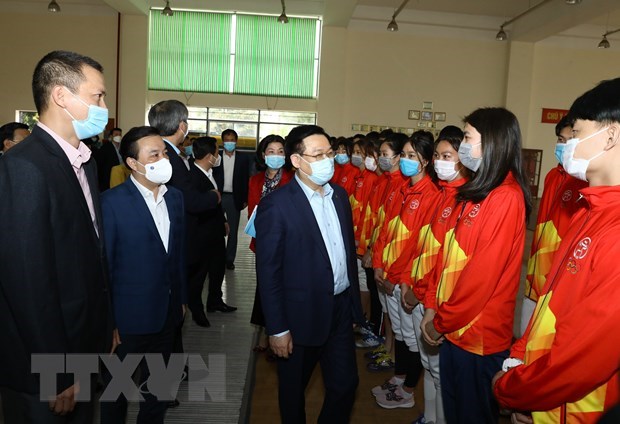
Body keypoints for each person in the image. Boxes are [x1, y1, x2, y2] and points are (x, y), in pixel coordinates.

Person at [493, 78, 620, 423]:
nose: (569, 145)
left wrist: (516, 390)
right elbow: (548, 304)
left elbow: (583, 359)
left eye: (577, 133)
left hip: (577, 409)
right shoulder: (587, 212)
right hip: (543, 397)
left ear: (609, 135)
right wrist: (519, 361)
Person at [0, 50, 112, 423]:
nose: (104, 106)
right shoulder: (25, 166)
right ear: (62, 96)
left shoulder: (84, 161)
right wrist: (58, 371)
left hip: (82, 346)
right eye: (97, 96)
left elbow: (92, 256)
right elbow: (27, 281)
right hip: (48, 366)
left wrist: (105, 329)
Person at [421, 108, 532, 423]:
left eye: (468, 138)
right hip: (454, 327)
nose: (464, 147)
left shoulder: (505, 197)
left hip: (476, 336)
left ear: (493, 142)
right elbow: (447, 261)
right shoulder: (474, 193)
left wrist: (440, 321)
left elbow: (480, 278)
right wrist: (433, 306)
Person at [256, 124, 364, 423]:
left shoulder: (339, 197)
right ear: (296, 161)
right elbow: (269, 273)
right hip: (298, 315)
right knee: (293, 393)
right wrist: (276, 328)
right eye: (317, 155)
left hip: (339, 308)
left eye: (329, 153)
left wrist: (354, 304)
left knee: (345, 385)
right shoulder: (277, 206)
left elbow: (345, 255)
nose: (327, 160)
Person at [99, 126, 187, 424]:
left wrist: (181, 300)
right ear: (133, 163)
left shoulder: (175, 198)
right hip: (127, 323)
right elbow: (104, 268)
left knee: (159, 393)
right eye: (155, 155)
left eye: (164, 153)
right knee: (117, 394)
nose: (164, 159)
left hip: (167, 316)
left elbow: (177, 255)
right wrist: (108, 323)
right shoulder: (111, 203)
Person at [399, 125, 468, 424]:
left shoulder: (463, 199)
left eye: (447, 155)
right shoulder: (443, 194)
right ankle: (429, 417)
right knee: (429, 367)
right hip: (422, 292)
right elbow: (423, 246)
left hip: (436, 300)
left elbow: (448, 262)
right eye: (437, 155)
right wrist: (410, 282)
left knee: (440, 373)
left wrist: (427, 300)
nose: (440, 161)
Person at [371, 132, 438, 408]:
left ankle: (408, 389)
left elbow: (416, 245)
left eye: (413, 157)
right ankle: (400, 378)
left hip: (403, 279)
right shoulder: (401, 188)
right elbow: (387, 231)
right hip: (389, 274)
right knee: (400, 333)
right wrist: (378, 265)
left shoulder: (430, 194)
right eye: (405, 155)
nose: (406, 162)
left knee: (412, 339)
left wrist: (396, 276)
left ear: (425, 161)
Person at [518, 115, 587, 336]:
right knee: (523, 338)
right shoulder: (551, 176)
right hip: (535, 276)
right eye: (560, 139)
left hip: (557, 283)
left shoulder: (583, 183)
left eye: (569, 140)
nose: (562, 145)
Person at [248, 135, 294, 352]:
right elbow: (251, 213)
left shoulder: (293, 180)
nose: (275, 156)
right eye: (271, 151)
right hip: (263, 242)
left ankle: (280, 331)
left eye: (280, 151)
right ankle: (264, 333)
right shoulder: (255, 180)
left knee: (283, 287)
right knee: (264, 287)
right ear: (262, 154)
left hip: (288, 244)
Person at [187, 136, 234, 326]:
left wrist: (223, 220)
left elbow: (216, 202)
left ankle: (215, 301)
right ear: (209, 156)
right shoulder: (192, 177)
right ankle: (196, 310)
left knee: (217, 268)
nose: (218, 155)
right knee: (200, 274)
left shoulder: (210, 173)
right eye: (216, 152)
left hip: (215, 230)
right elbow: (197, 205)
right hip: (201, 234)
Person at [213, 129, 253, 270]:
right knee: (215, 229)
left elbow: (246, 179)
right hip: (218, 197)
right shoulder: (216, 158)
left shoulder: (243, 159)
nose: (229, 142)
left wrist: (245, 198)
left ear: (236, 141)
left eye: (232, 140)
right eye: (227, 140)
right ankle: (215, 257)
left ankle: (229, 259)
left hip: (234, 198)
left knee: (233, 231)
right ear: (223, 141)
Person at [95, 127, 122, 191]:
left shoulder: (123, 148)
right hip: (108, 178)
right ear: (111, 136)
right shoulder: (105, 148)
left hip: (120, 177)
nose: (118, 136)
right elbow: (99, 164)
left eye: (120, 134)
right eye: (116, 134)